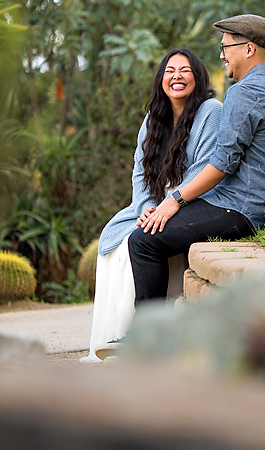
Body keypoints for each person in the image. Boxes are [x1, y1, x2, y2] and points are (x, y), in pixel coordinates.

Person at [129, 13, 265, 304]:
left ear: (248, 49)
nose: (222, 56)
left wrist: (174, 201)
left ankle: (149, 337)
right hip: (253, 201)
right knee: (153, 231)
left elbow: (222, 165)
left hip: (244, 209)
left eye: (226, 48)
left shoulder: (245, 92)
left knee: (144, 241)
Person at [80, 48, 222, 363]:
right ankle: (115, 336)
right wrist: (146, 206)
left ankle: (142, 335)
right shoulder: (153, 118)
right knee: (114, 242)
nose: (177, 76)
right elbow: (140, 171)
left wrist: (168, 206)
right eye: (170, 71)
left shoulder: (211, 111)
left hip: (190, 201)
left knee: (138, 240)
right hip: (153, 202)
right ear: (161, 79)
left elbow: (205, 171)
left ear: (197, 78)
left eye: (185, 70)